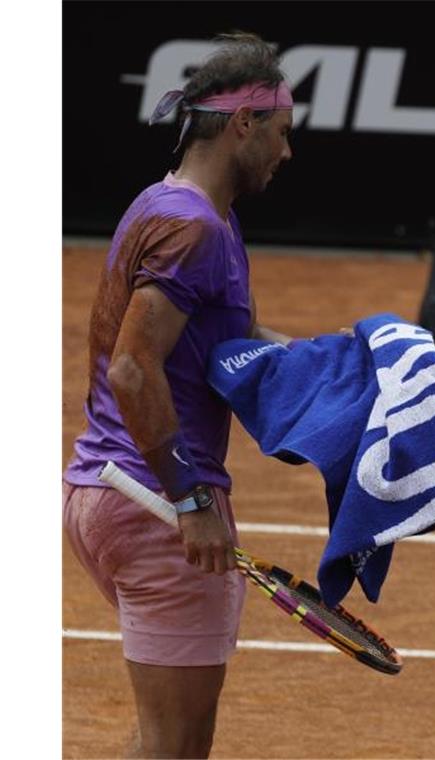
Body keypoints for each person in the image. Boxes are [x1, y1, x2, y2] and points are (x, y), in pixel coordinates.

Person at [63, 33, 295, 758]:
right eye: (282, 134)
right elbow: (134, 369)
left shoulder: (179, 209)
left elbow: (232, 337)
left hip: (112, 495)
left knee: (165, 739)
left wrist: (345, 358)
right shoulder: (192, 227)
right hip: (159, 508)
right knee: (177, 748)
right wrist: (193, 502)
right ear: (243, 125)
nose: (286, 153)